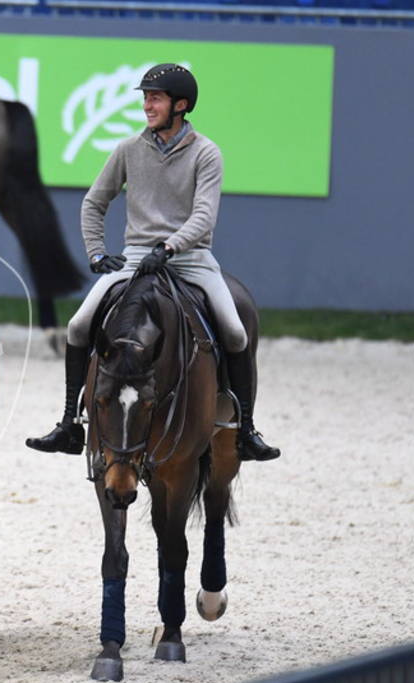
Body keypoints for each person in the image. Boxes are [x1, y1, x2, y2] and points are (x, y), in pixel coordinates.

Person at [25, 63, 280, 462]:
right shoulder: (128, 149)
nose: (147, 105)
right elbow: (94, 202)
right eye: (145, 98)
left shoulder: (206, 153)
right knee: (77, 325)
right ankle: (70, 423)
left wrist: (169, 247)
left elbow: (203, 216)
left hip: (191, 260)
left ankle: (245, 429)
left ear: (181, 105)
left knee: (234, 331)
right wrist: (96, 252)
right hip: (135, 259)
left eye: (155, 98)